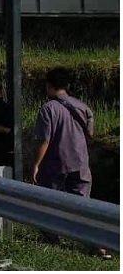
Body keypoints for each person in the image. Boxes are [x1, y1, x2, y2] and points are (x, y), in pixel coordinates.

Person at [31, 67, 108, 258]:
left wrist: (35, 164)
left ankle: (51, 239)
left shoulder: (48, 108)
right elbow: (90, 133)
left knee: (50, 201)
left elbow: (45, 140)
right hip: (80, 162)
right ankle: (97, 245)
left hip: (56, 163)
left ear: (48, 86)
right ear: (68, 86)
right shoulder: (83, 107)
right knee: (84, 206)